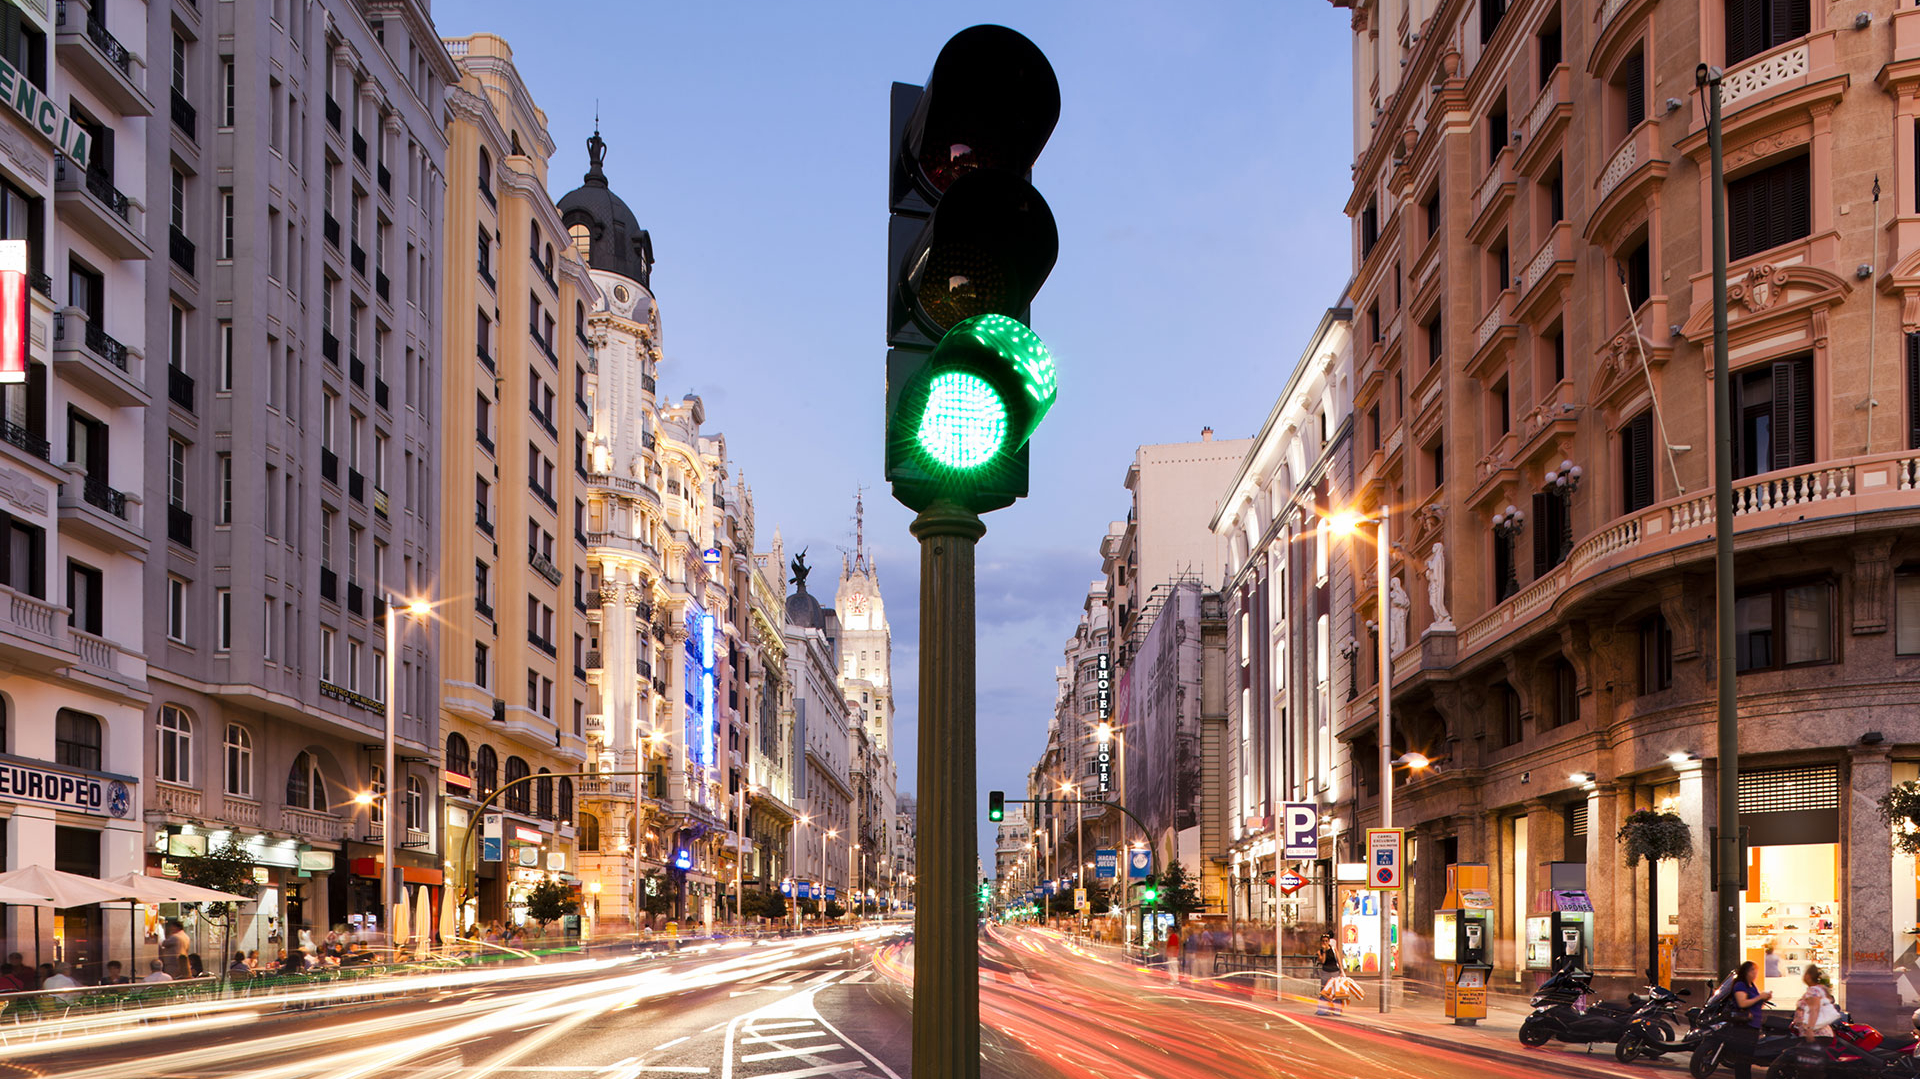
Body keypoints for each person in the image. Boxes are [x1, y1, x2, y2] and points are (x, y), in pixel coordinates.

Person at [1726, 960, 1773, 1079]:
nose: (1755, 974)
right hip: (1745, 1026)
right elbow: (1742, 1003)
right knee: (1743, 1058)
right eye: (1752, 971)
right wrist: (1759, 997)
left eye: (1756, 971)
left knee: (1747, 1057)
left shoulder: (1752, 985)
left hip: (1754, 1025)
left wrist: (1764, 999)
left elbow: (1756, 1005)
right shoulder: (1740, 985)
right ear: (1746, 972)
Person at [1791, 964, 1837, 1075]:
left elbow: (1814, 1010)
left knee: (1810, 1069)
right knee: (1814, 1068)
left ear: (1808, 976)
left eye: (1805, 973)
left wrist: (1810, 1030)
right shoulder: (1820, 989)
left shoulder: (1813, 991)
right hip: (1820, 1034)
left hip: (1816, 1034)